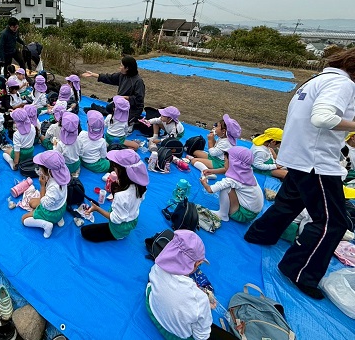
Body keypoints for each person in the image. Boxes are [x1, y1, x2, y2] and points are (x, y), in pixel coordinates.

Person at [244, 49, 355, 300]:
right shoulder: (343, 84)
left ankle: (260, 234)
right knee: (332, 223)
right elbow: (323, 118)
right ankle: (298, 270)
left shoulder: (317, 80)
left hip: (298, 155)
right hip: (317, 162)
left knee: (289, 202)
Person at [147, 230, 235, 340]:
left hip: (152, 309)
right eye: (199, 265)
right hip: (176, 334)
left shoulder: (157, 266)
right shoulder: (200, 299)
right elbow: (201, 337)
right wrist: (205, 307)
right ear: (197, 263)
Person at [81, 149, 149, 242]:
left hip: (119, 227)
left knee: (85, 231)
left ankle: (118, 235)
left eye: (115, 167)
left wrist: (97, 209)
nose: (113, 169)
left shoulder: (122, 196)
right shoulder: (141, 185)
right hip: (132, 217)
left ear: (122, 172)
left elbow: (116, 219)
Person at [200, 146, 264, 223]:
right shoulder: (246, 172)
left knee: (226, 188)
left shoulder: (232, 180)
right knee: (230, 187)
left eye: (225, 161)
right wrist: (212, 171)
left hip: (243, 215)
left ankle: (223, 215)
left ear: (233, 163)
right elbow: (227, 169)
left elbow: (210, 190)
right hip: (252, 213)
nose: (224, 163)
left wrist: (204, 183)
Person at [82, 56, 145, 123]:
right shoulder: (122, 75)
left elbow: (139, 99)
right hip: (120, 104)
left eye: (121, 66)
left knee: (125, 122)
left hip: (133, 108)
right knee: (109, 108)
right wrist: (93, 75)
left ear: (127, 68)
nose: (119, 67)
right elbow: (110, 78)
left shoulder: (138, 81)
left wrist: (125, 98)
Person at [22, 151, 69, 238]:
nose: (39, 170)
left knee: (24, 219)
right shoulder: (62, 172)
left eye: (40, 168)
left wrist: (42, 186)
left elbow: (44, 204)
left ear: (48, 170)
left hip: (50, 212)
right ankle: (59, 219)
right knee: (32, 202)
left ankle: (47, 225)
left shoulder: (54, 188)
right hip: (61, 207)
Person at [53, 112, 81, 178]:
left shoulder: (61, 144)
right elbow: (81, 152)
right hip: (76, 164)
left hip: (66, 166)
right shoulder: (79, 139)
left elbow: (57, 157)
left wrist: (54, 146)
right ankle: (75, 172)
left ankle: (65, 174)